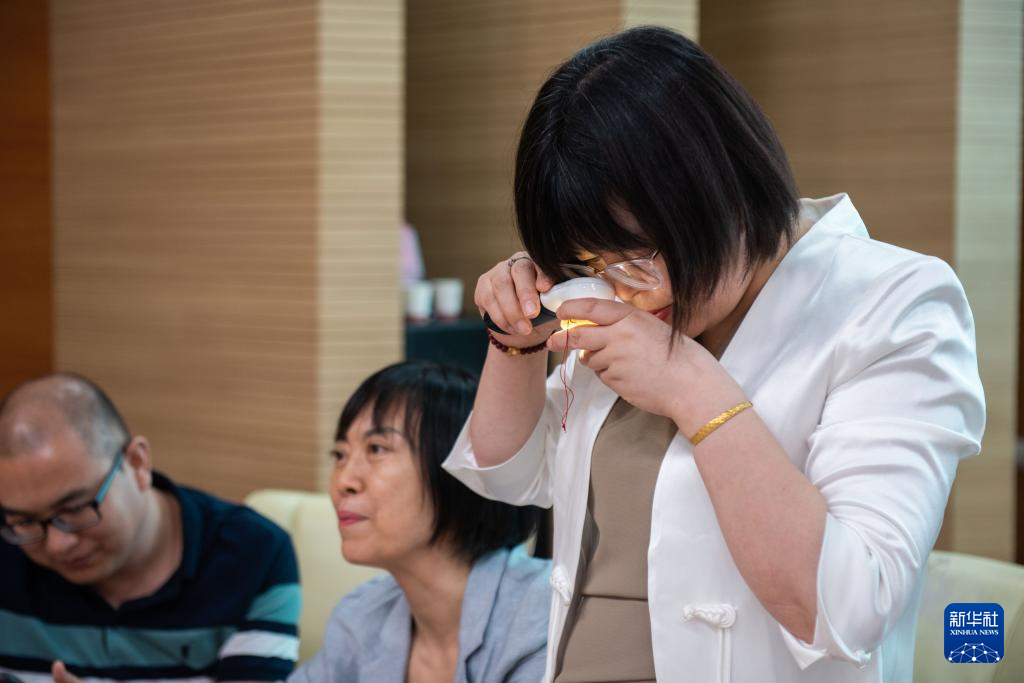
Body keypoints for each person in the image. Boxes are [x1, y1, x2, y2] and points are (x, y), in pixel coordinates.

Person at [443, 26, 986, 683]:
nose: (625, 288)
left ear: (722, 187)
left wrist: (691, 390)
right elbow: (511, 476)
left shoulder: (895, 303)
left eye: (636, 253)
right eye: (589, 263)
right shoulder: (636, 291)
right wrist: (515, 341)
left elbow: (848, 606)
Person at [0, 374, 301, 682]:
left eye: (75, 509)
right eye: (24, 521)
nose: (58, 544)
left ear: (137, 463)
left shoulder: (255, 554)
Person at [290, 361, 550, 683]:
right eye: (340, 455)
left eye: (376, 449)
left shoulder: (544, 619)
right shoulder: (362, 616)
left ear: (459, 469)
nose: (344, 480)